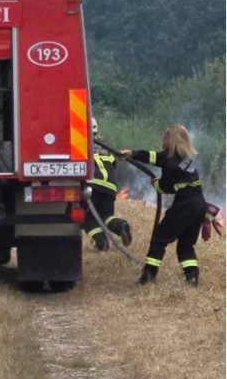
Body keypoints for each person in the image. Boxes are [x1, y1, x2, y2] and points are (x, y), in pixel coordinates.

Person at [122, 125, 205, 287]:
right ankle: (192, 278)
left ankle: (148, 276)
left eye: (165, 137)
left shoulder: (170, 164)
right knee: (186, 244)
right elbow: (153, 157)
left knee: (159, 239)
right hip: (199, 205)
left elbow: (166, 187)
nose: (162, 139)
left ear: (170, 140)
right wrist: (132, 153)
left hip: (185, 206)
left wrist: (156, 184)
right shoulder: (184, 158)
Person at [85, 118, 132, 251]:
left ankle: (101, 243)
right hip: (109, 185)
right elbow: (114, 165)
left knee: (87, 218)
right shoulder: (103, 142)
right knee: (106, 215)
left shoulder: (81, 141)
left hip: (92, 183)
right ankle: (121, 226)